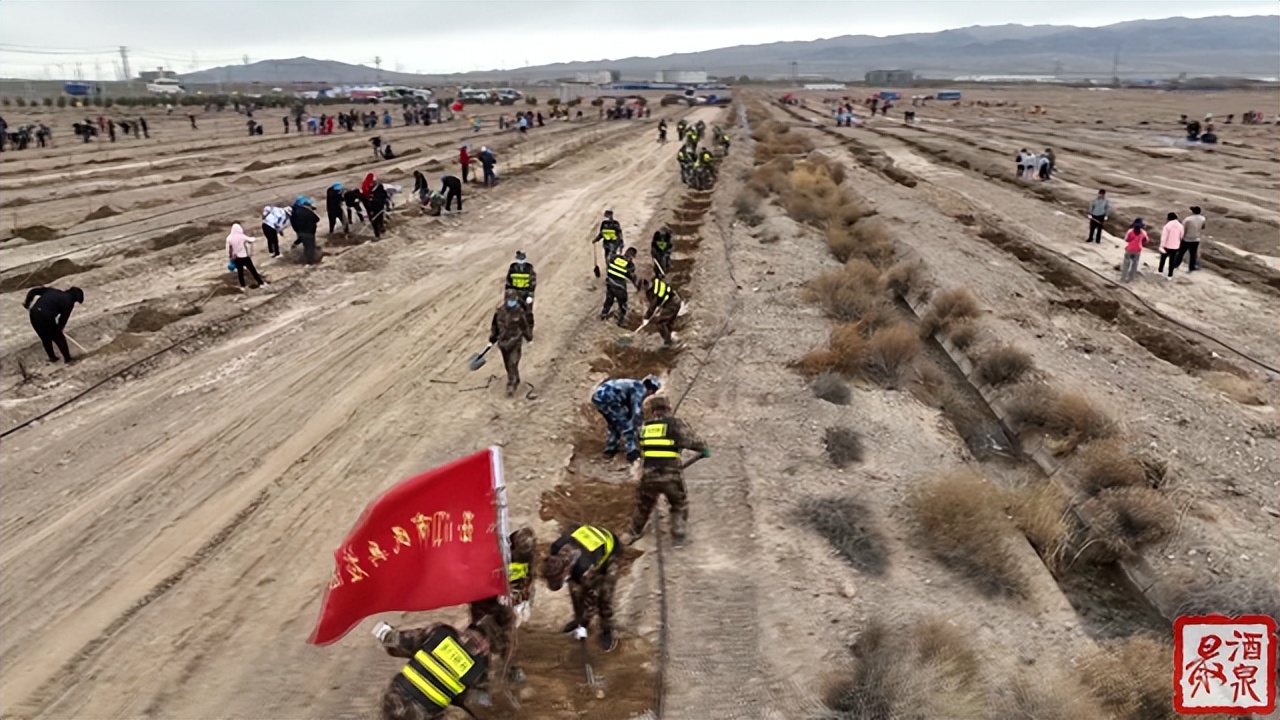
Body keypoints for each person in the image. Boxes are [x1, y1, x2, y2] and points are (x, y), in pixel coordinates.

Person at [625, 395, 709, 546]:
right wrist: (703, 448)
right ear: (667, 408)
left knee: (643, 506)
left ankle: (632, 533)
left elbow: (639, 449)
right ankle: (678, 534)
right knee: (678, 504)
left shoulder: (644, 428)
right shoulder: (676, 424)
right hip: (671, 475)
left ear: (651, 410)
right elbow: (697, 443)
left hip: (648, 475)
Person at [374, 617, 498, 720]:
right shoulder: (479, 668)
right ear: (486, 644)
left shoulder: (441, 632)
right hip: (423, 713)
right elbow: (469, 701)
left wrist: (385, 633)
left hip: (395, 697)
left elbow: (402, 643)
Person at [468, 528, 537, 684]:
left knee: (510, 638)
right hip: (485, 604)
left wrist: (524, 600)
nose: (522, 556)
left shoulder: (528, 558)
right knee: (481, 639)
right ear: (512, 546)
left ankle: (510, 669)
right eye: (520, 552)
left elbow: (528, 578)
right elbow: (477, 582)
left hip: (509, 605)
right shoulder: (493, 555)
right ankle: (481, 679)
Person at [542, 524, 621, 653]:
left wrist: (584, 624)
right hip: (588, 542)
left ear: (565, 571)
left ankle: (607, 628)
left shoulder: (585, 569)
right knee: (575, 591)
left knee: (604, 595)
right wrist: (580, 621)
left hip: (610, 549)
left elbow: (592, 599)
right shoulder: (556, 549)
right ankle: (578, 619)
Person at [591, 374, 661, 462]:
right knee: (627, 425)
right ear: (651, 390)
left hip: (599, 397)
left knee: (614, 424)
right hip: (609, 398)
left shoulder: (633, 385)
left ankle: (610, 449)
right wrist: (638, 429)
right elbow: (636, 412)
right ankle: (632, 452)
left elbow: (630, 410)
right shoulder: (640, 389)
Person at [488, 289, 534, 397]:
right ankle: (515, 378)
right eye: (510, 300)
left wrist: (529, 338)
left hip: (515, 342)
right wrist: (492, 339)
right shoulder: (499, 312)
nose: (511, 302)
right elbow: (495, 327)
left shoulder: (519, 311)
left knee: (513, 363)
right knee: (508, 364)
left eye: (513, 300)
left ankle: (511, 385)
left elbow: (524, 326)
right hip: (503, 343)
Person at [23, 286, 83, 363]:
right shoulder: (69, 302)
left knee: (45, 337)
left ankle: (52, 357)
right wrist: (58, 330)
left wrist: (27, 302)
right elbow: (63, 319)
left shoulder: (52, 290)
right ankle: (67, 359)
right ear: (75, 298)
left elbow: (34, 291)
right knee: (59, 338)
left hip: (34, 313)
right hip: (46, 316)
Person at [601, 247, 639, 326]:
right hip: (619, 286)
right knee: (623, 303)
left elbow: (609, 262)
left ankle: (603, 314)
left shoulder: (615, 257)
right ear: (633, 256)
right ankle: (620, 321)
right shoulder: (630, 265)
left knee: (609, 299)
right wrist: (638, 286)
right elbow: (631, 276)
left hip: (610, 282)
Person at [641, 276, 682, 346]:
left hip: (672, 304)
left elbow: (652, 306)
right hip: (675, 300)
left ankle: (668, 343)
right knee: (667, 322)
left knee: (661, 323)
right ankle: (671, 337)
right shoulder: (656, 282)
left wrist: (646, 317)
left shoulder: (653, 291)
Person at [226, 223, 267, 291]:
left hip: (237, 258)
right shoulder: (241, 236)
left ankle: (242, 286)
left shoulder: (229, 238)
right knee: (253, 270)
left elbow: (228, 249)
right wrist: (254, 237)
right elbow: (251, 240)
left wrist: (230, 257)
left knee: (240, 272)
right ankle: (261, 283)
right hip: (244, 257)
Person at [505, 250, 537, 329]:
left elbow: (532, 283)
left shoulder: (529, 268)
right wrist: (508, 295)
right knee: (511, 311)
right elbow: (508, 282)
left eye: (522, 259)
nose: (521, 261)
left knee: (528, 312)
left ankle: (529, 330)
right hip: (515, 292)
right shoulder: (512, 268)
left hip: (526, 292)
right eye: (519, 259)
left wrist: (530, 295)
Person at [290, 196, 321, 265]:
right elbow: (317, 219)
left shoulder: (295, 212)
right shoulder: (307, 212)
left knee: (306, 246)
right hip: (309, 232)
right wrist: (312, 211)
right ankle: (309, 262)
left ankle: (303, 257)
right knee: (310, 248)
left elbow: (293, 222)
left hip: (300, 231)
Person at [1120, 218, 1149, 283]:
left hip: (1129, 249)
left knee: (1126, 264)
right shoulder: (1143, 232)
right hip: (1137, 250)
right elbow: (1146, 240)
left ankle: (1123, 278)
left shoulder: (1130, 231)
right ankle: (1131, 278)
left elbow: (1126, 239)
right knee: (1135, 264)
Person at [1157, 211, 1184, 279]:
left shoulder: (1167, 226)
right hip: (1175, 246)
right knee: (1172, 261)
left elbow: (1164, 237)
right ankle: (1170, 275)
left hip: (1167, 245)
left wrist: (1161, 245)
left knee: (1163, 258)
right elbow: (1182, 236)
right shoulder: (1180, 226)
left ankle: (1160, 271)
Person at [1179, 206, 1205, 272]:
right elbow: (1203, 227)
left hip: (1186, 238)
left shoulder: (1188, 219)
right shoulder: (1202, 218)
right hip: (1196, 239)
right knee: (1193, 254)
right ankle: (1191, 267)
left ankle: (1175, 264)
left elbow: (1183, 229)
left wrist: (1180, 237)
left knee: (1181, 253)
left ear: (1193, 212)